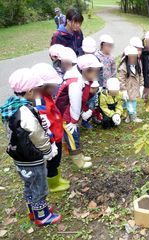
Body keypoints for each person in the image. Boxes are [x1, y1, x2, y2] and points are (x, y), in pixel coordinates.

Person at [0, 68, 61, 226]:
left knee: (29, 183)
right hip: (32, 157)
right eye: (36, 90)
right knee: (39, 185)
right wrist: (48, 150)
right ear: (30, 91)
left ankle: (32, 210)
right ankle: (42, 216)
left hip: (19, 156)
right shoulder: (25, 111)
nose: (38, 93)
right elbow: (37, 134)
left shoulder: (11, 106)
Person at [55, 54, 103, 169]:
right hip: (65, 115)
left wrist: (82, 112)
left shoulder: (82, 78)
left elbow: (82, 101)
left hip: (70, 113)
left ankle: (79, 155)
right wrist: (74, 120)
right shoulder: (75, 82)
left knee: (75, 135)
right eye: (95, 72)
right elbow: (75, 102)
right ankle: (77, 160)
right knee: (72, 136)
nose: (96, 75)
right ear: (86, 70)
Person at [32, 63, 70, 193]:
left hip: (57, 135)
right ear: (43, 86)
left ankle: (57, 179)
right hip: (51, 138)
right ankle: (53, 184)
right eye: (53, 86)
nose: (55, 88)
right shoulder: (39, 100)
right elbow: (42, 119)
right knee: (53, 162)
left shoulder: (46, 96)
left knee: (57, 159)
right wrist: (50, 138)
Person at [118, 46, 144, 123]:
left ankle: (128, 116)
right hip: (128, 88)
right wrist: (123, 90)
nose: (133, 59)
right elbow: (121, 79)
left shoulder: (138, 64)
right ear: (127, 57)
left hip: (135, 87)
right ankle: (132, 116)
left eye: (134, 57)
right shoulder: (123, 66)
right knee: (129, 103)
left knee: (133, 102)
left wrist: (141, 85)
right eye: (131, 57)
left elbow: (141, 74)